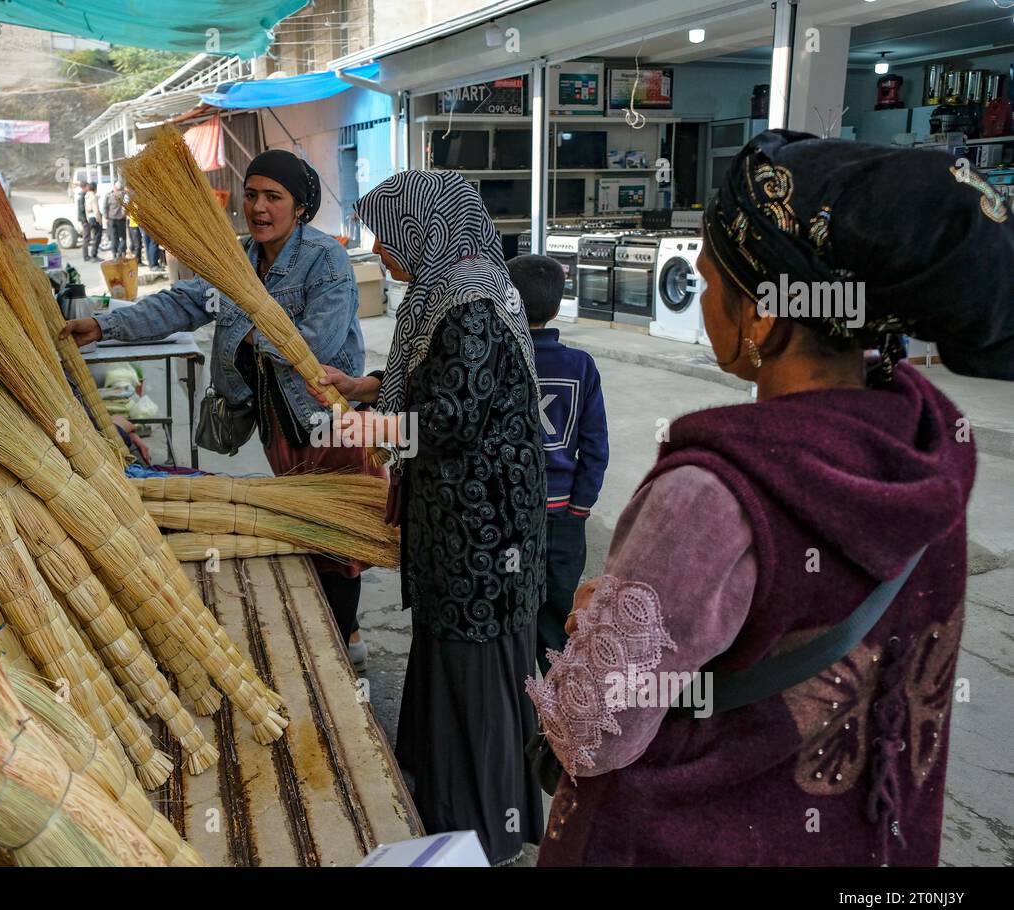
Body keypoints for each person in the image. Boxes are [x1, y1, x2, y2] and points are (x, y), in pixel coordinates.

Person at [528, 129, 1014, 866]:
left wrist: (602, 620)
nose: (704, 296)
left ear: (763, 317)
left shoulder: (712, 494)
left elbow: (591, 731)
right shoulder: (930, 437)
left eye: (712, 275)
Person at [60, 149, 381, 664]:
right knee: (306, 522)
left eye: (273, 197)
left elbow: (317, 341)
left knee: (338, 535)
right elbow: (183, 302)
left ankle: (346, 639)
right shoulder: (235, 259)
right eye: (251, 194)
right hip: (275, 420)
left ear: (298, 208)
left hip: (327, 418)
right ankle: (341, 629)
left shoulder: (327, 259)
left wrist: (252, 329)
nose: (258, 207)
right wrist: (104, 326)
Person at [315, 170, 548, 865]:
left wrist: (367, 430)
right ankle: (446, 802)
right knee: (450, 657)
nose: (382, 252)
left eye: (391, 237)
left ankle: (486, 831)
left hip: (483, 532)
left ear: (430, 231)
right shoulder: (449, 286)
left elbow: (448, 418)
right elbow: (433, 380)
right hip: (460, 525)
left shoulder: (469, 299)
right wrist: (365, 389)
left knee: (474, 665)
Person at [507, 254, 608, 677]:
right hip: (566, 517)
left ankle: (518, 715)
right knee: (560, 621)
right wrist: (581, 506)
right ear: (559, 304)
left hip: (512, 515)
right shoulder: (580, 366)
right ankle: (561, 718)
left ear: (507, 300)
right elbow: (595, 446)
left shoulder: (499, 360)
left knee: (514, 614)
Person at [106, 181, 129, 259]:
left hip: (112, 219)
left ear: (115, 188)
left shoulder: (109, 195)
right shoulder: (124, 195)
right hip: (121, 219)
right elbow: (127, 206)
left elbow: (105, 207)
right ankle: (120, 252)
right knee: (123, 237)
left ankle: (114, 253)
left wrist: (106, 217)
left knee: (114, 237)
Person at [81, 183, 102, 262]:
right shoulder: (93, 197)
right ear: (95, 189)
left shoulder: (86, 196)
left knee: (91, 237)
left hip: (89, 218)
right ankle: (94, 254)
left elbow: (86, 210)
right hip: (95, 219)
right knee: (97, 237)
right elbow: (96, 210)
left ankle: (91, 255)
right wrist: (99, 220)